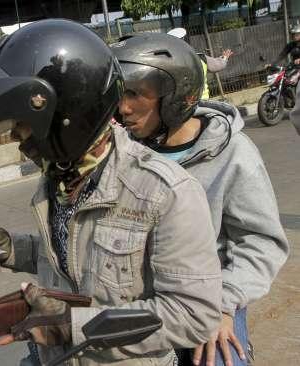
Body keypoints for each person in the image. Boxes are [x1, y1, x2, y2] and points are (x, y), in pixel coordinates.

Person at [0, 19, 222, 366]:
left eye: (22, 126)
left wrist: (72, 326)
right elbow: (73, 258)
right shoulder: (59, 179)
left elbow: (193, 313)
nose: (18, 139)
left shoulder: (163, 192)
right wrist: (11, 249)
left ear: (66, 114)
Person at [113, 32, 289, 366]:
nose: (123, 107)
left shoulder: (232, 154)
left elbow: (262, 242)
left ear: (174, 95)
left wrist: (223, 305)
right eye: (122, 94)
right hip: (141, 299)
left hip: (208, 298)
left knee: (220, 360)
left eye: (135, 94)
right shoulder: (126, 154)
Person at [167, 28, 233, 99]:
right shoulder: (200, 58)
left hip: (180, 104)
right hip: (202, 100)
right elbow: (218, 65)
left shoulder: (168, 63)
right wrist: (224, 58)